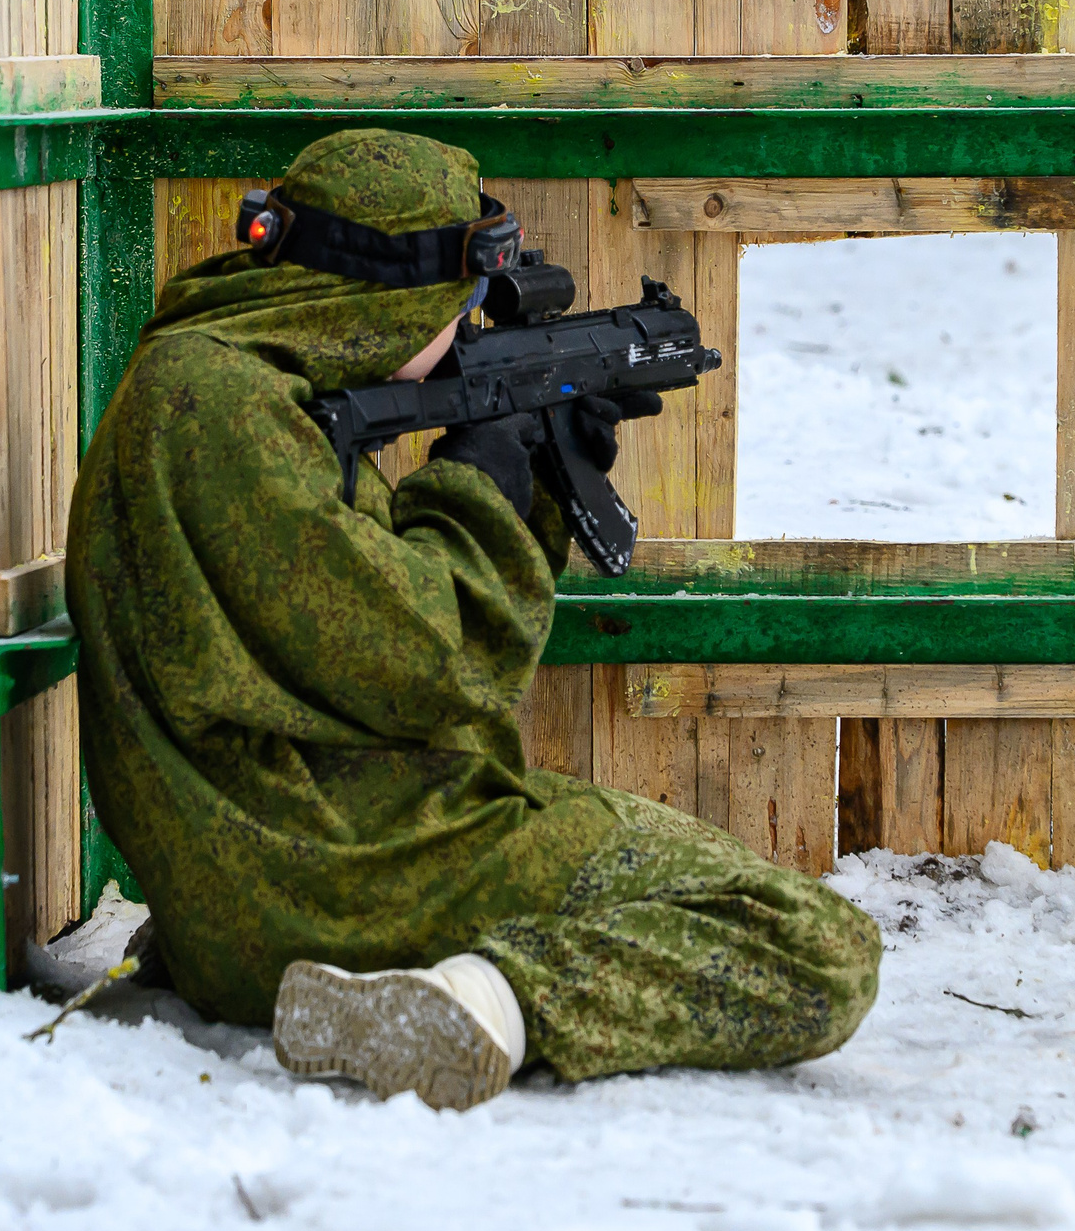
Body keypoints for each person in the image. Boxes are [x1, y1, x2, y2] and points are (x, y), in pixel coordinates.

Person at [66, 128, 881, 1110]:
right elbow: (427, 662)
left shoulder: (229, 381)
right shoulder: (220, 411)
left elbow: (354, 630)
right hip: (336, 880)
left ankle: (436, 990)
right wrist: (479, 481)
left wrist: (534, 474)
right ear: (389, 300)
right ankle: (478, 1003)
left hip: (278, 873)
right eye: (455, 311)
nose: (466, 333)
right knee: (814, 945)